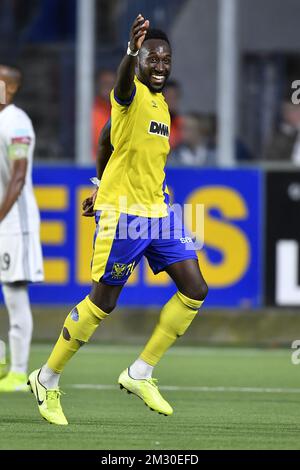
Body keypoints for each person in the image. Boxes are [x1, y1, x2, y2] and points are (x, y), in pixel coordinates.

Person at [28, 14, 208, 426]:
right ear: (140, 61)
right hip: (124, 215)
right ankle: (47, 377)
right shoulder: (131, 93)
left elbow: (107, 140)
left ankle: (140, 372)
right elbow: (122, 89)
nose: (160, 65)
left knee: (195, 288)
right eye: (152, 59)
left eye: (166, 60)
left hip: (157, 212)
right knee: (103, 302)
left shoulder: (162, 105)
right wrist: (130, 52)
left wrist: (98, 181)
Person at [0, 64, 44, 391]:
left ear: (10, 88)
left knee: (15, 293)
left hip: (16, 222)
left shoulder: (17, 122)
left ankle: (17, 372)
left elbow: (17, 178)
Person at [92, 69, 116, 160]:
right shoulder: (90, 111)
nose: (108, 88)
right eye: (105, 83)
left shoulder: (124, 111)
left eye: (111, 84)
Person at [163, 79, 183, 149]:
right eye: (169, 97)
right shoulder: (156, 122)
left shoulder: (182, 124)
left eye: (175, 97)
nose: (172, 101)